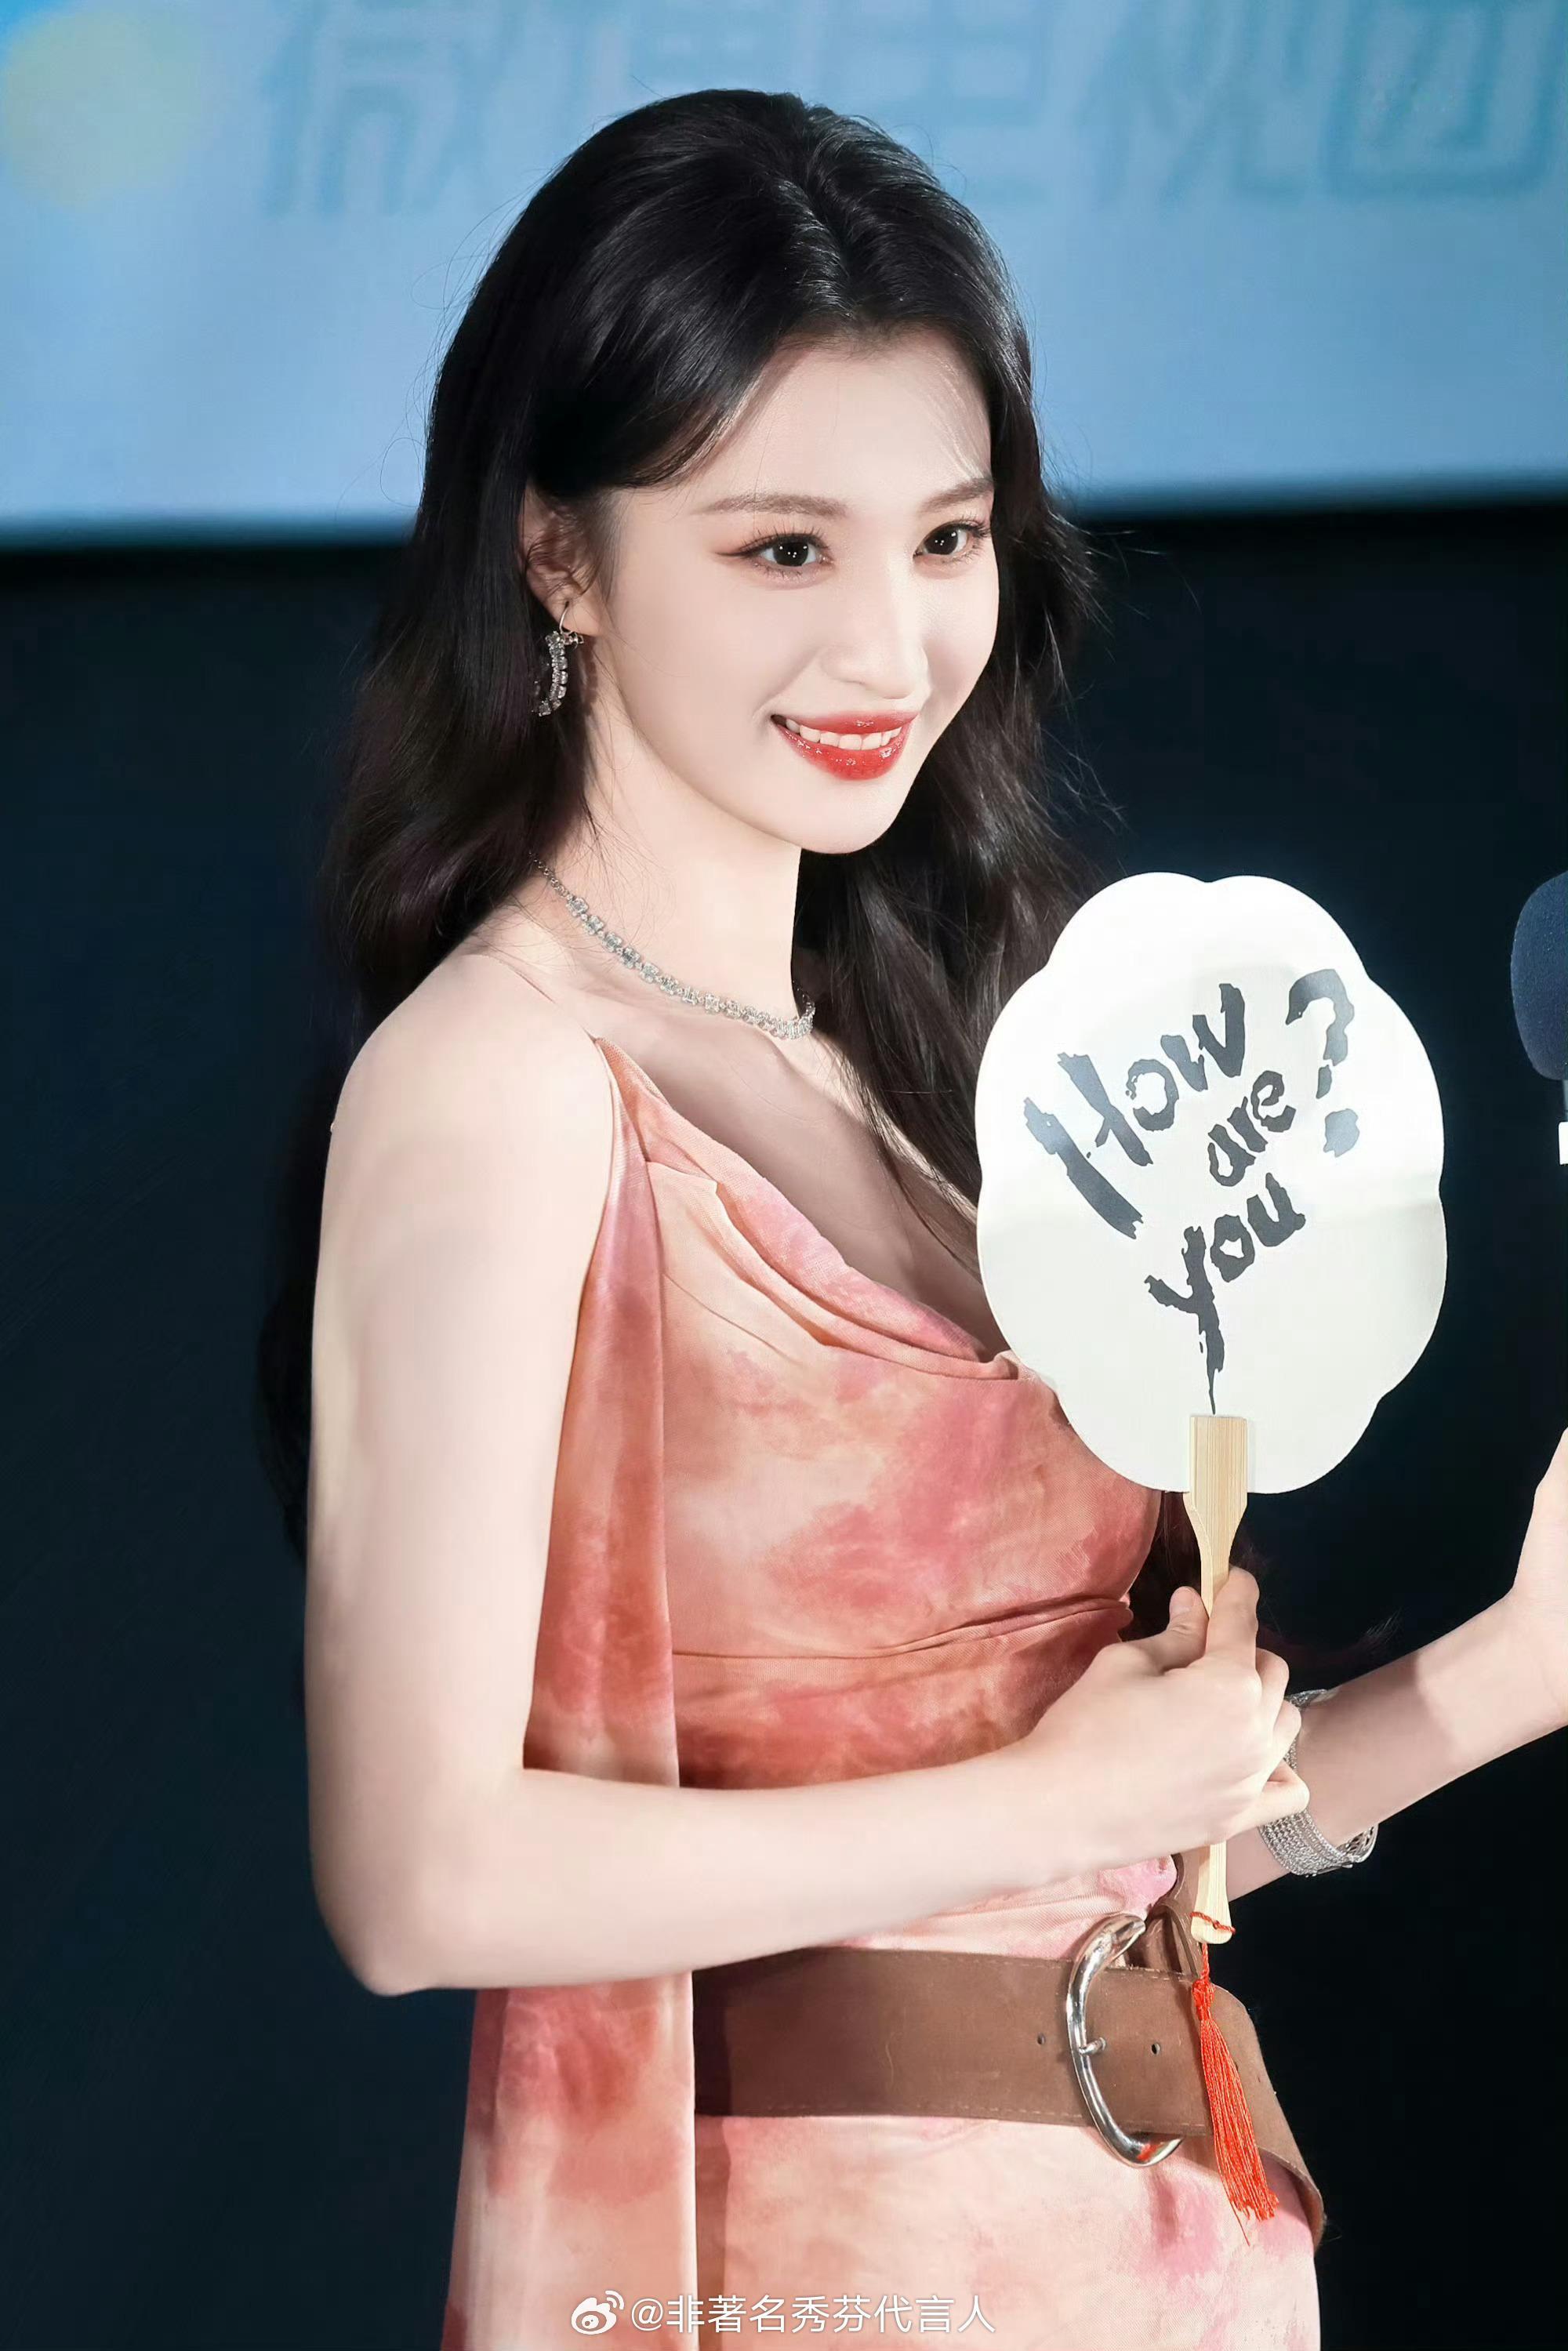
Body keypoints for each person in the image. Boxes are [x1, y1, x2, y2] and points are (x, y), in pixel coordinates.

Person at [266, 88, 1568, 2351]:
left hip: (1163, 2251)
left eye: (947, 538)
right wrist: (1044, 1799)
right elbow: (419, 1875)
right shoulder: (497, 1087)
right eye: (784, 550)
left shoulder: (921, 1072)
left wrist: (1514, 1669)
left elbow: (1111, 1860)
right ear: (559, 555)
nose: (890, 645)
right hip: (807, 2283)